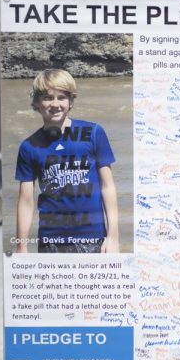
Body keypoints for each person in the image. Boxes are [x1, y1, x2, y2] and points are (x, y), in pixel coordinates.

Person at [15, 69, 120, 253]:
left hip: (92, 238)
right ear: (37, 103)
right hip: (51, 242)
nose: (55, 104)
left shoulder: (94, 133)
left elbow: (108, 186)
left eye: (61, 97)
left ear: (71, 102)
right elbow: (25, 201)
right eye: (48, 97)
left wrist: (113, 237)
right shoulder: (29, 146)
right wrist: (21, 247)